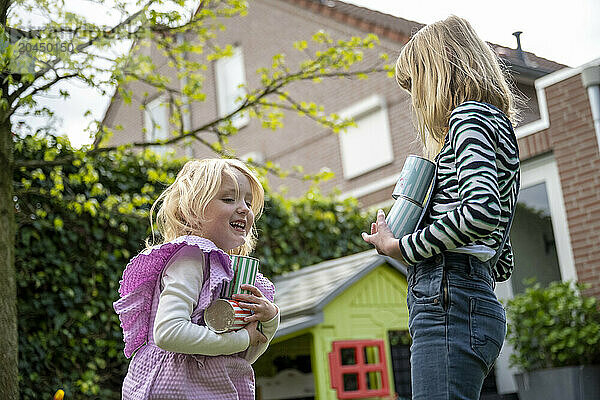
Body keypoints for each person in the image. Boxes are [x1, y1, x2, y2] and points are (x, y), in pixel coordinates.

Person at [362, 15, 520, 400]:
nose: (415, 98)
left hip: (449, 298)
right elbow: (501, 252)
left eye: (415, 84)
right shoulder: (497, 127)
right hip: (471, 295)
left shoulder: (467, 120)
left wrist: (402, 247)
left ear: (436, 74)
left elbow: (480, 211)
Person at [113, 158, 280, 400]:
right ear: (191, 210)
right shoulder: (190, 258)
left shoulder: (233, 271)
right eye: (229, 199)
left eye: (249, 202)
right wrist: (242, 338)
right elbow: (168, 333)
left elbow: (245, 355)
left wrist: (269, 320)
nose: (244, 208)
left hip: (218, 389)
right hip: (173, 387)